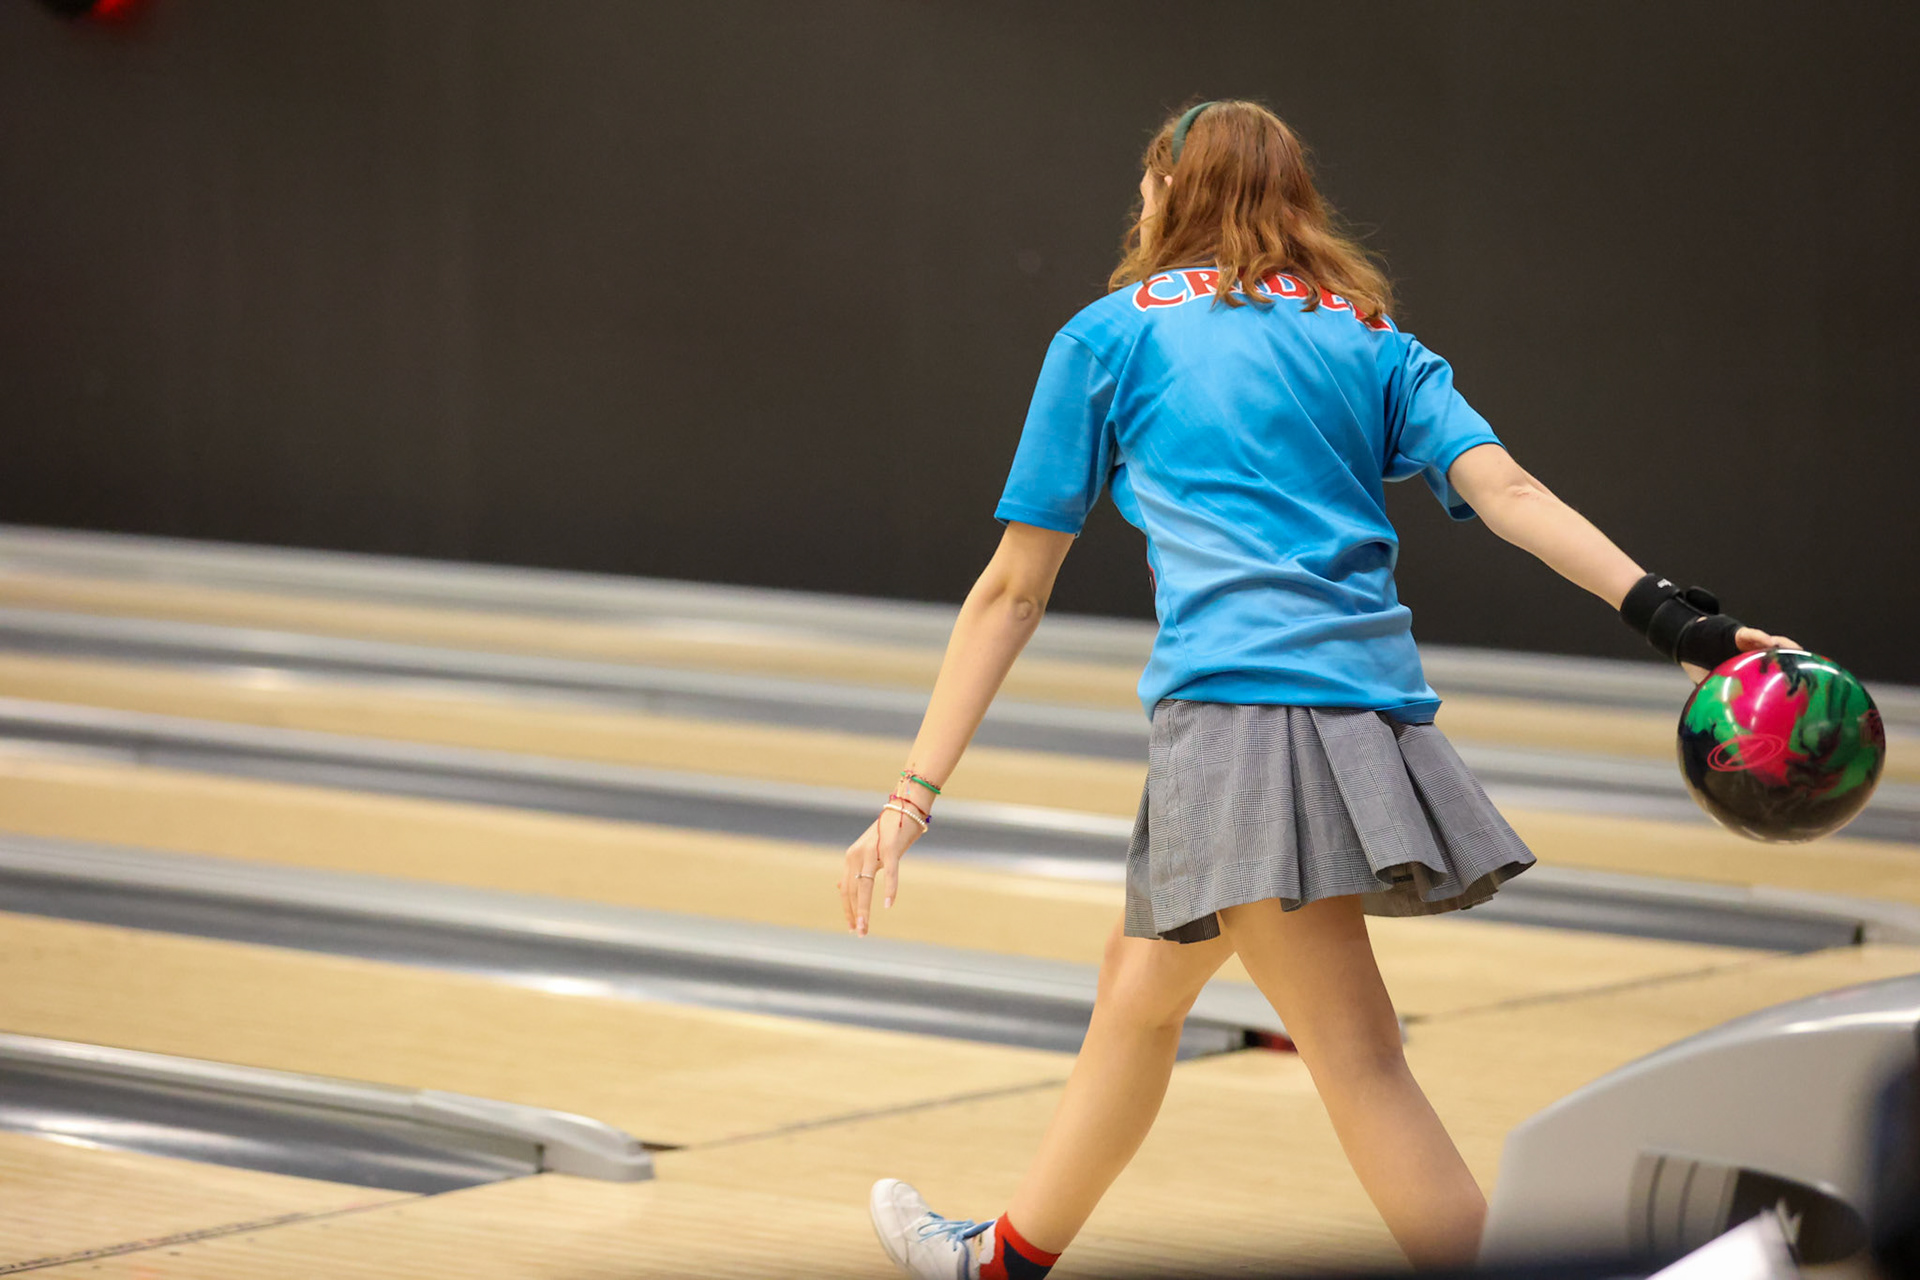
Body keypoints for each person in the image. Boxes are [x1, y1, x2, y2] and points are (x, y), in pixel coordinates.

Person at [839, 99, 1794, 1278]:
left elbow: (1011, 592)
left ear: (1168, 194)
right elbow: (1511, 493)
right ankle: (998, 1261)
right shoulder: (1372, 339)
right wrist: (1672, 616)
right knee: (1136, 995)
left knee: (1358, 1057)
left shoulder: (1108, 336)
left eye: (1145, 186)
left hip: (1239, 729)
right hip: (1360, 717)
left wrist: (914, 789)